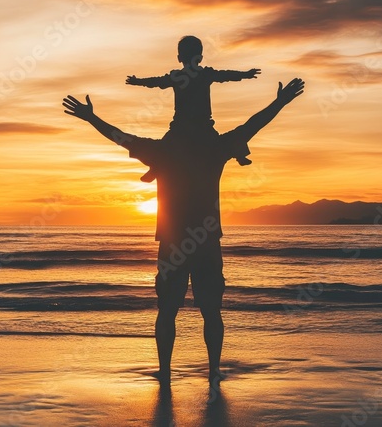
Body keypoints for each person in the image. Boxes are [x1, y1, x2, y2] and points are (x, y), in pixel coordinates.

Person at [62, 77, 304, 388]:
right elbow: (252, 125)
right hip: (205, 241)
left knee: (168, 311)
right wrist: (281, 101)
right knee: (211, 311)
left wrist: (91, 117)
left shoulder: (165, 151)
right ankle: (213, 372)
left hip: (173, 242)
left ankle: (166, 372)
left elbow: (121, 137)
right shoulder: (214, 147)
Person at [126, 35, 261, 182]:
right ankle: (240, 154)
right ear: (200, 58)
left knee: (165, 147)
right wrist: (245, 74)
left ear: (179, 57)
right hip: (197, 127)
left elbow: (156, 82)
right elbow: (226, 75)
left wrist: (137, 81)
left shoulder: (181, 76)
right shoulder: (203, 74)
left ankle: (155, 168)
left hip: (186, 127)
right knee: (228, 139)